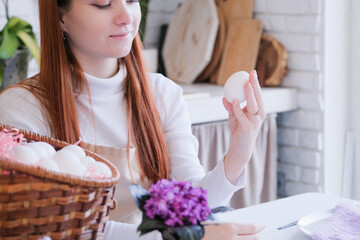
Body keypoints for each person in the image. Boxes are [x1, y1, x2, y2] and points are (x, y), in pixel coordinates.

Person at [0, 0, 266, 239]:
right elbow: (51, 227)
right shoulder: (22, 109)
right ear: (60, 16)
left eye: (131, 0)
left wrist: (238, 153)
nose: (126, 17)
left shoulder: (162, 94)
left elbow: (191, 202)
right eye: (103, 4)